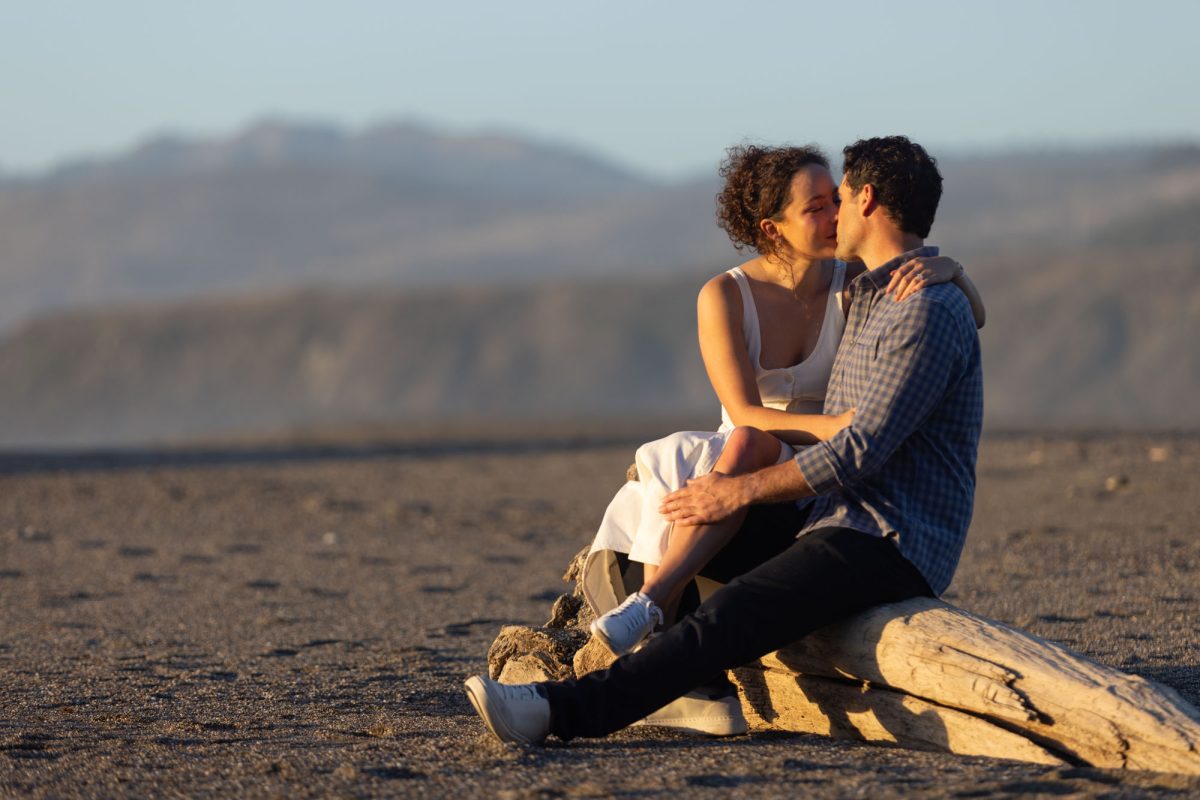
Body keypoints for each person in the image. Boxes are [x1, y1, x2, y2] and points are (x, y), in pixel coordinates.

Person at [464, 135, 985, 745]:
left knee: (738, 610)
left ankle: (558, 712)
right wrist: (952, 267)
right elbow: (762, 419)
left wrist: (734, 495)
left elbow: (857, 450)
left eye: (838, 197)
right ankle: (689, 674)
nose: (834, 212)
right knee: (667, 524)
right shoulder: (875, 294)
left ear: (865, 199)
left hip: (887, 535)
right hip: (830, 511)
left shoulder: (918, 310)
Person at [585, 144, 985, 659]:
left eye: (833, 200)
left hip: (827, 470)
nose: (835, 215)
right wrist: (836, 427)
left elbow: (970, 316)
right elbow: (746, 412)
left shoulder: (855, 284)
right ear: (774, 229)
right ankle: (655, 608)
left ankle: (656, 611)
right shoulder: (725, 295)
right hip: (757, 448)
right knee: (743, 441)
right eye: (815, 207)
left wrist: (951, 270)